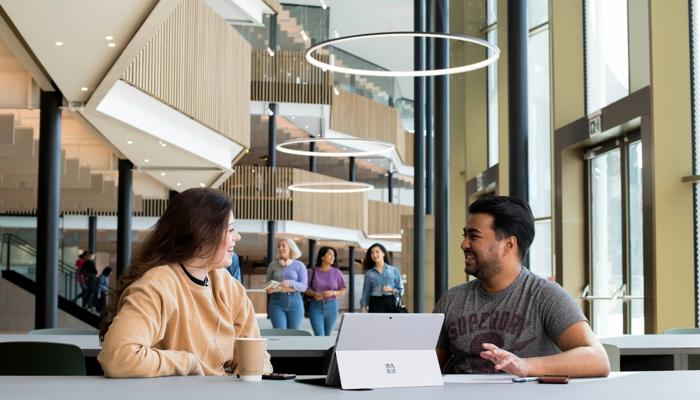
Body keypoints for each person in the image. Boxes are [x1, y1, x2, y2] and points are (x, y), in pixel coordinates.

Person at [98, 188, 272, 378]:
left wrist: (254, 366)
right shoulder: (158, 285)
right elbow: (117, 357)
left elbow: (259, 356)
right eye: (230, 229)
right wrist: (188, 362)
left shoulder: (230, 287)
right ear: (203, 234)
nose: (237, 237)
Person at [433, 195, 610, 378]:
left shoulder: (545, 295)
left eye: (474, 236)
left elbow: (597, 359)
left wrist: (524, 366)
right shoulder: (451, 300)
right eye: (465, 235)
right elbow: (427, 365)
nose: (464, 244)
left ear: (508, 245)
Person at [304, 246, 347, 336]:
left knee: (327, 335)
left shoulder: (337, 272)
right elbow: (304, 288)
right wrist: (314, 293)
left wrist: (333, 293)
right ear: (322, 257)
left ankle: (327, 351)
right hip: (316, 307)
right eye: (330, 254)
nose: (333, 257)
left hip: (332, 307)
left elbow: (343, 289)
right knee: (319, 335)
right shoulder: (313, 271)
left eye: (334, 256)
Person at [265, 238, 307, 330]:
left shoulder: (299, 265)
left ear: (291, 248)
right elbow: (267, 285)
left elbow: (304, 286)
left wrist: (291, 283)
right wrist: (270, 289)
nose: (280, 248)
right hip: (277, 302)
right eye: (279, 246)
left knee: (294, 335)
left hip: (295, 302)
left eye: (283, 246)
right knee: (280, 333)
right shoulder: (273, 265)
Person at [360, 243, 404, 313]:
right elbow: (366, 292)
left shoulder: (394, 270)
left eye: (377, 252)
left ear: (383, 253)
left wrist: (392, 290)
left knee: (392, 324)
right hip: (375, 303)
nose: (374, 255)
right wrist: (363, 306)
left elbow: (401, 290)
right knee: (376, 324)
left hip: (391, 302)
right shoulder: (369, 273)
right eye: (372, 253)